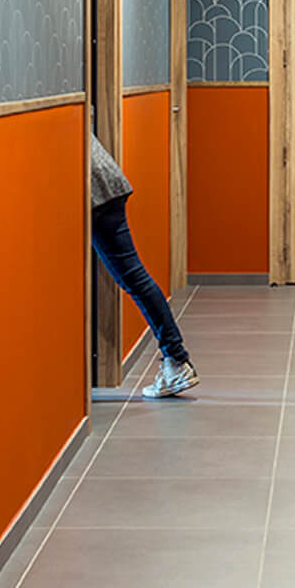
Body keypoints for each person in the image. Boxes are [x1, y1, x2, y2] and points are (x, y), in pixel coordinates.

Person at [90, 134, 198, 399]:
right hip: (107, 183)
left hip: (96, 192)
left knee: (133, 279)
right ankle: (176, 359)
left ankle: (176, 360)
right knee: (136, 278)